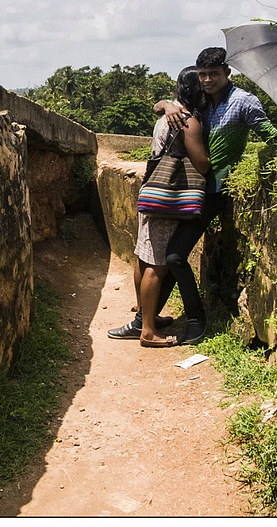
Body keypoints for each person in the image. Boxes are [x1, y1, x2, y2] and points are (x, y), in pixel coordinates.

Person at [110, 47, 277, 345]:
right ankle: (145, 321)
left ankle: (194, 319)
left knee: (172, 257)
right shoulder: (203, 102)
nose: (208, 80)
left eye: (214, 74)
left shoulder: (243, 101)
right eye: (203, 75)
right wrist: (167, 105)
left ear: (227, 72)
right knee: (167, 259)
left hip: (215, 191)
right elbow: (166, 106)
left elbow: (271, 135)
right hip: (191, 191)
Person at [109, 67, 212, 347]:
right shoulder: (188, 122)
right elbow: (202, 165)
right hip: (169, 199)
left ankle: (145, 316)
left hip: (151, 192)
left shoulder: (167, 115)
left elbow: (159, 108)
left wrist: (165, 104)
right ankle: (148, 331)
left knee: (144, 258)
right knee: (158, 265)